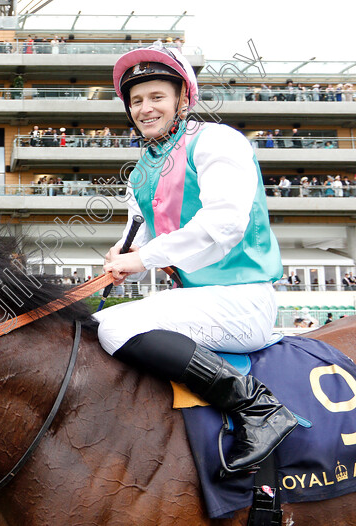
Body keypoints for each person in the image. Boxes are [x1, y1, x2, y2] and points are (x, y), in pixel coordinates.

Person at [94, 41, 297, 474]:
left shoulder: (217, 141)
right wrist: (123, 253)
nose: (145, 109)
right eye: (136, 101)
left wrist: (143, 258)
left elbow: (224, 223)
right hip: (203, 301)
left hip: (243, 300)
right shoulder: (141, 171)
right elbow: (141, 232)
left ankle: (258, 408)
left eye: (156, 97)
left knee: (115, 325)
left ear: (183, 98)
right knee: (97, 325)